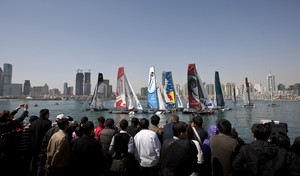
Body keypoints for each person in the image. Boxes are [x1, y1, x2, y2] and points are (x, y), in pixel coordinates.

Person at [30, 108, 52, 176]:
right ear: (46, 114)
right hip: (42, 147)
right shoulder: (47, 123)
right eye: (48, 113)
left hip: (32, 145)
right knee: (41, 164)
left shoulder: (33, 122)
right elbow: (48, 136)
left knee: (33, 162)